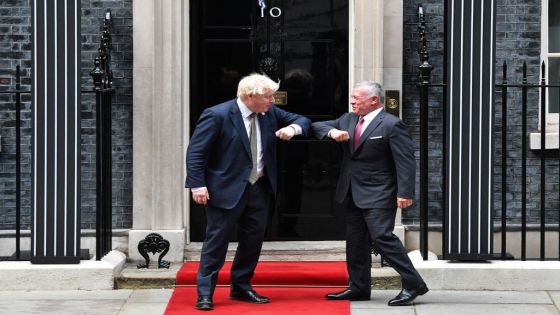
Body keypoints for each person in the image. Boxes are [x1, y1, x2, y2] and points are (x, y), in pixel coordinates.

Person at [185, 73, 311, 311]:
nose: (273, 100)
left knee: (252, 241)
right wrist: (197, 184)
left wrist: (293, 129)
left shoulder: (270, 113)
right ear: (250, 96)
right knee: (216, 242)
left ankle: (241, 286)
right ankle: (204, 293)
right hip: (224, 189)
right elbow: (196, 153)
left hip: (259, 189)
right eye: (268, 96)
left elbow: (303, 120)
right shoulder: (217, 115)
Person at [312, 81, 428, 306]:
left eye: (357, 97)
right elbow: (317, 126)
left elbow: (405, 161)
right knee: (355, 242)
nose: (352, 101)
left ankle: (414, 283)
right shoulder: (348, 119)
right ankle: (358, 287)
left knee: (382, 237)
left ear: (374, 100)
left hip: (379, 192)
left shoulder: (392, 125)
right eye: (352, 97)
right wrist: (332, 131)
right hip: (351, 191)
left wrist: (405, 192)